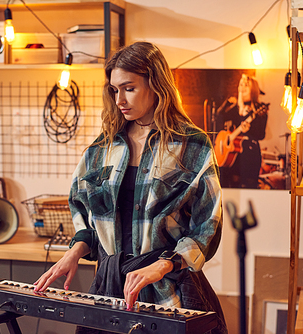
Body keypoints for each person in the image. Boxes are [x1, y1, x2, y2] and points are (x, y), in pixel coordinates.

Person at [34, 41, 227, 334]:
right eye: (114, 90)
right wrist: (74, 251)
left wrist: (163, 265)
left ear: (156, 85)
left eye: (129, 88)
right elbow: (85, 215)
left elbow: (207, 227)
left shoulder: (193, 145)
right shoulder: (102, 147)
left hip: (168, 292)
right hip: (109, 290)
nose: (119, 99)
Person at [214, 74, 269, 188]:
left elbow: (261, 135)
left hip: (249, 155)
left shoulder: (260, 109)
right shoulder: (234, 108)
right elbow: (218, 117)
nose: (242, 87)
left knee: (247, 186)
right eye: (241, 84)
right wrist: (229, 102)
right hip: (231, 156)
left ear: (253, 89)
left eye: (246, 85)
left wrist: (249, 129)